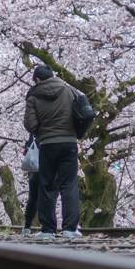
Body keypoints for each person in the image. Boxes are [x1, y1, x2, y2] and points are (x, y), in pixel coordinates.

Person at [24, 64, 80, 239]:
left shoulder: (33, 95)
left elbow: (30, 123)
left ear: (37, 79)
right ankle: (70, 228)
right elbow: (82, 109)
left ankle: (48, 230)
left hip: (47, 143)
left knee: (47, 185)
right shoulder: (68, 89)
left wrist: (42, 131)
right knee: (69, 184)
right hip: (70, 142)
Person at [22, 134, 40, 236]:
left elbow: (26, 149)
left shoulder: (33, 132)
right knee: (47, 195)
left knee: (33, 198)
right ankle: (48, 227)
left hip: (35, 169)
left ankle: (27, 226)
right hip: (45, 166)